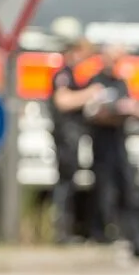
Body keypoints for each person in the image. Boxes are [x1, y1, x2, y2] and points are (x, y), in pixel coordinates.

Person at [84, 44, 139, 260]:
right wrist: (111, 111)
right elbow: (92, 112)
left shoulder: (121, 83)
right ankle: (102, 237)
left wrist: (133, 109)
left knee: (132, 193)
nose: (115, 63)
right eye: (112, 58)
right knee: (104, 194)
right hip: (101, 146)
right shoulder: (95, 83)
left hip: (119, 145)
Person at [48, 37, 100, 244]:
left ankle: (66, 231)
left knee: (69, 183)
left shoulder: (71, 74)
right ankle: (61, 233)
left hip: (71, 135)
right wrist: (89, 94)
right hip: (65, 136)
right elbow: (63, 101)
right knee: (64, 184)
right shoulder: (63, 74)